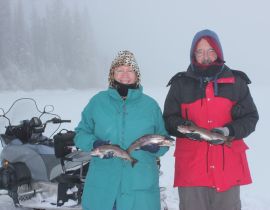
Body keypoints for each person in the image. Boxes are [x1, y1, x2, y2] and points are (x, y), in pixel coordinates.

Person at [163, 29, 259, 210]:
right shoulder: (179, 84)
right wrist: (185, 129)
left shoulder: (236, 82)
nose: (205, 56)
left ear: (219, 52)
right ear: (193, 54)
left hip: (228, 169)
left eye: (210, 50)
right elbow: (168, 119)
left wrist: (228, 130)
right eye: (199, 51)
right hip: (192, 170)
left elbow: (251, 117)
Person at [74, 50, 169, 210]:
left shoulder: (150, 106)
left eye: (130, 70)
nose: (125, 74)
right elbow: (80, 134)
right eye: (120, 70)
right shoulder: (97, 102)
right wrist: (94, 143)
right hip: (103, 185)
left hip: (139, 185)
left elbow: (164, 140)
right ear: (112, 74)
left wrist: (157, 148)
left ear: (137, 74)